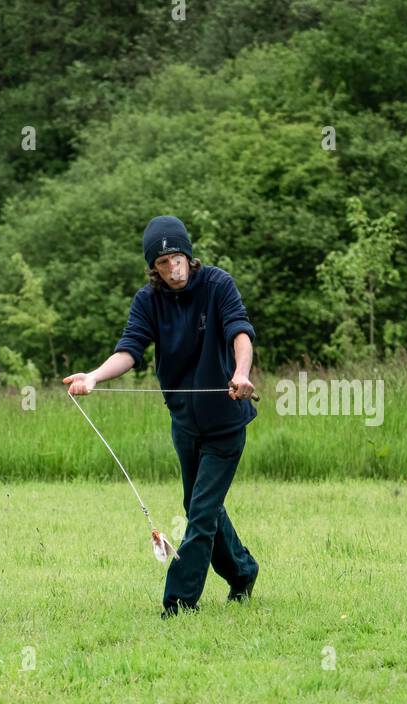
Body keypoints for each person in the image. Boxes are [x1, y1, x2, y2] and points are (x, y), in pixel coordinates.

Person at [64, 215, 260, 617]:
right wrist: (94, 376)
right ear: (153, 268)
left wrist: (241, 373)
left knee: (201, 513)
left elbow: (240, 331)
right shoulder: (148, 301)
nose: (174, 270)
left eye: (178, 259)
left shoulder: (218, 285)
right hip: (184, 424)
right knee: (198, 506)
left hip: (225, 423)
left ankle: (179, 603)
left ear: (189, 255)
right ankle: (242, 571)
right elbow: (129, 349)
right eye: (163, 263)